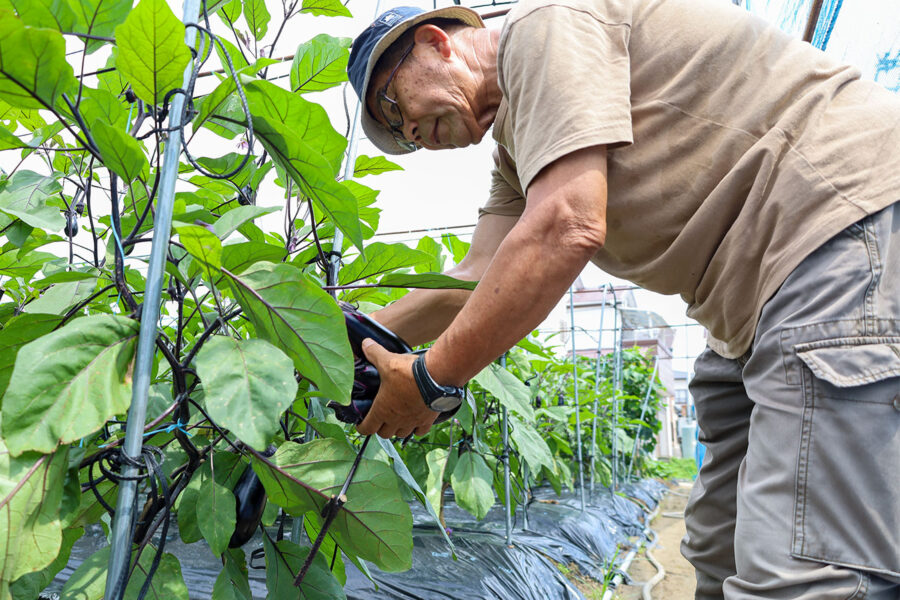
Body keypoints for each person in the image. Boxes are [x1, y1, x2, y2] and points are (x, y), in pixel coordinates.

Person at [346, 1, 900, 598]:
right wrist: (355, 331)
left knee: (807, 571)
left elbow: (566, 226)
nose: (409, 134)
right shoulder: (518, 152)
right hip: (753, 301)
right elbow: (477, 275)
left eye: (393, 105)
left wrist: (432, 380)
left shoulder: (545, 26)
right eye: (398, 136)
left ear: (437, 42)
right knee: (719, 542)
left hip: (835, 231)